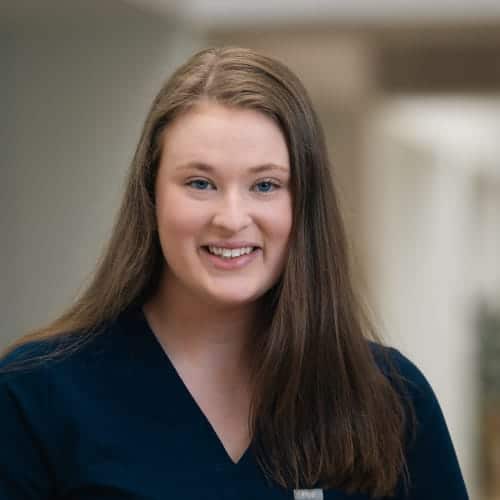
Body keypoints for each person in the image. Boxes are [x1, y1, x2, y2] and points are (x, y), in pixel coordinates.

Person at [0, 47, 468, 500]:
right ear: (151, 194)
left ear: (304, 204)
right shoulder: (35, 393)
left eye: (265, 185)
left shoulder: (391, 398)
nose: (231, 218)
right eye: (200, 183)